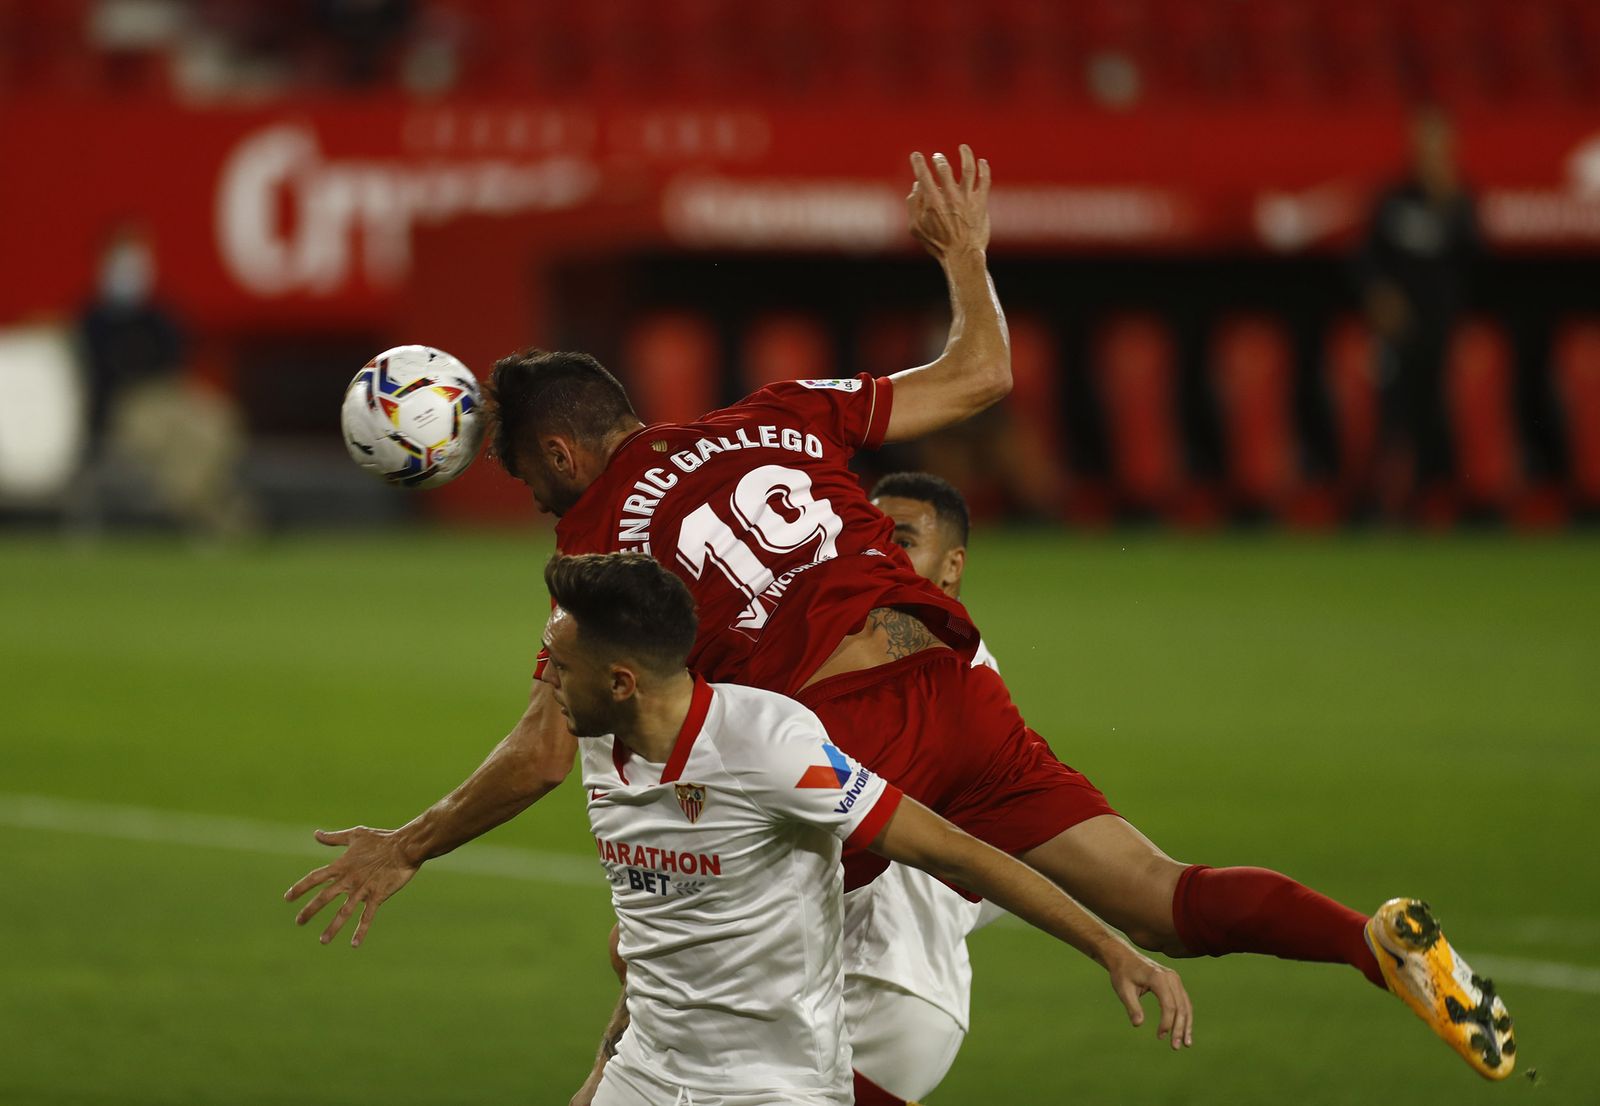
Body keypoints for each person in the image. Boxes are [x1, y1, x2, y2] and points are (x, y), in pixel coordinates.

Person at [286, 146, 1514, 1083]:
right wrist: (962, 252)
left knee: (680, 951)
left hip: (857, 721)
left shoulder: (594, 533)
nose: (524, 493)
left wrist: (407, 839)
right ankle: (1367, 939)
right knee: (1161, 893)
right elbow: (980, 376)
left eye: (521, 470)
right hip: (961, 685)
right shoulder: (778, 408)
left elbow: (551, 738)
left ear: (559, 448)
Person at [542, 551, 1192, 1105]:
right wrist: (605, 1071)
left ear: (622, 682)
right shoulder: (604, 740)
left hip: (772, 1086)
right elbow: (657, 933)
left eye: (562, 668)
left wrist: (1110, 947)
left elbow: (955, 853)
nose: (551, 685)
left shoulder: (768, 746)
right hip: (647, 1077)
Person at [1355, 107, 1484, 518]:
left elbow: (1479, 266)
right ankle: (1388, 504)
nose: (1430, 151)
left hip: (1443, 329)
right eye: (1424, 142)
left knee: (1442, 415)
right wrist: (1379, 295)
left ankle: (1446, 504)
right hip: (1398, 331)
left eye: (1438, 142)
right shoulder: (1393, 200)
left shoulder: (1461, 202)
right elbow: (1365, 260)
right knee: (1393, 418)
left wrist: (1448, 205)